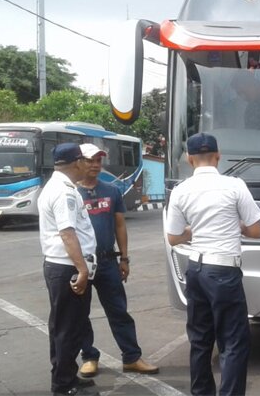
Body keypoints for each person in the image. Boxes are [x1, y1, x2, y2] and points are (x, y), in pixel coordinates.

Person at [165, 133, 260, 396]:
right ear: (219, 156)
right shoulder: (234, 186)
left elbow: (174, 237)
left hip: (196, 271)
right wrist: (236, 226)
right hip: (223, 272)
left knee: (199, 341)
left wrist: (195, 231)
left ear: (189, 159)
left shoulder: (180, 190)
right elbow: (255, 230)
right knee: (232, 342)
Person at [76, 144, 159, 378]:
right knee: (80, 314)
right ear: (78, 162)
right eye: (90, 160)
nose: (95, 165)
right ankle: (89, 357)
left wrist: (124, 258)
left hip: (107, 263)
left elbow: (120, 225)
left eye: (99, 160)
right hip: (81, 264)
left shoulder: (111, 191)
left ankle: (132, 357)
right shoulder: (71, 192)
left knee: (119, 312)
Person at [37, 143, 99, 396]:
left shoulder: (55, 187)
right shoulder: (64, 192)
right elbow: (67, 233)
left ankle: (66, 376)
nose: (89, 165)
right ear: (77, 163)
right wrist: (82, 270)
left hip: (60, 267)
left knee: (65, 326)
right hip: (67, 269)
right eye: (85, 161)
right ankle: (64, 386)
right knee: (67, 329)